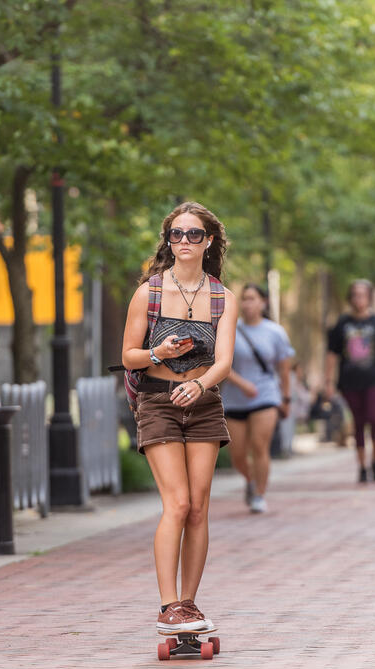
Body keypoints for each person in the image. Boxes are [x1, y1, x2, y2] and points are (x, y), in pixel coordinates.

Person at [121, 201, 238, 635]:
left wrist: (201, 384)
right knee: (179, 503)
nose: (184, 241)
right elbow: (128, 354)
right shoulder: (149, 292)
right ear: (168, 241)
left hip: (203, 402)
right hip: (157, 401)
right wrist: (159, 353)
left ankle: (189, 603)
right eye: (176, 234)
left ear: (208, 241)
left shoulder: (222, 297)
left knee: (199, 507)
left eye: (193, 234)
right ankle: (168, 605)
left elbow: (224, 360)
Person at [222, 283, 294, 513]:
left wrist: (286, 398)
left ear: (263, 302)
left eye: (252, 298)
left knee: (259, 446)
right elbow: (221, 364)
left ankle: (260, 494)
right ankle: (250, 479)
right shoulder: (230, 328)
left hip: (265, 395)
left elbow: (283, 369)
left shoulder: (275, 332)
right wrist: (243, 384)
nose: (247, 303)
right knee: (238, 455)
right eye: (244, 299)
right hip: (234, 398)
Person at [325, 280, 375, 483]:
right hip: (350, 382)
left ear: (369, 297)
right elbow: (331, 354)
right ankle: (361, 466)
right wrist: (328, 383)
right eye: (355, 294)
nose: (359, 298)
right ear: (350, 298)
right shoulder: (342, 323)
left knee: (374, 418)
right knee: (358, 423)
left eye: (363, 294)